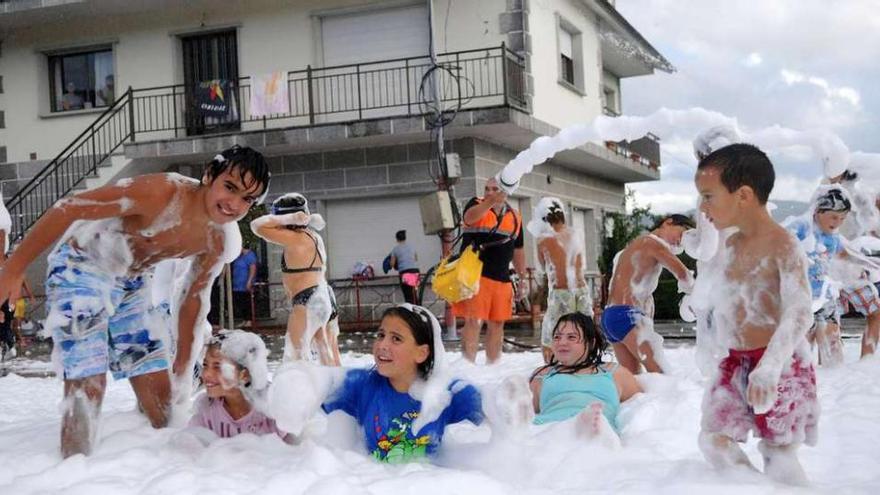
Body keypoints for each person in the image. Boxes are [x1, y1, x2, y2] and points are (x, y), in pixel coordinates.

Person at [0, 145, 270, 457]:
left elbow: (192, 300)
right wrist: (14, 268)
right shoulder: (161, 193)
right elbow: (69, 207)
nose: (234, 204)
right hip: (82, 266)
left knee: (161, 399)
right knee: (89, 381)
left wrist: (182, 365)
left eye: (247, 199)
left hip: (131, 281)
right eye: (230, 187)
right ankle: (74, 468)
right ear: (209, 176)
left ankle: (157, 471)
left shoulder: (218, 240)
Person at [695, 143, 817, 486]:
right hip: (736, 362)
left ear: (744, 195)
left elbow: (800, 310)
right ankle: (755, 490)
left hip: (780, 363)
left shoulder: (783, 244)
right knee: (713, 441)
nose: (702, 206)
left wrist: (772, 364)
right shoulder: (730, 245)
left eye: (708, 196)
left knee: (778, 451)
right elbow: (719, 304)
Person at [320, 304, 484, 463]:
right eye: (381, 335)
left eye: (396, 339)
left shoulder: (445, 392)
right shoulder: (361, 384)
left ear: (421, 353)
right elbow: (313, 390)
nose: (382, 345)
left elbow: (496, 410)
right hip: (373, 481)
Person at [251, 193, 341, 366]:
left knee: (294, 359)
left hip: (307, 299)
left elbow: (257, 225)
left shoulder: (294, 238)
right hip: (324, 296)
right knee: (328, 354)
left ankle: (303, 391)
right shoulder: (314, 237)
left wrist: (291, 217)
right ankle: (340, 390)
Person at [602, 214, 695, 374]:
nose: (681, 240)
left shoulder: (634, 247)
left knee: (633, 384)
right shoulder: (653, 243)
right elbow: (684, 275)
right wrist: (699, 295)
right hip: (627, 316)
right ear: (668, 222)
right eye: (682, 233)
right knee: (662, 375)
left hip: (611, 316)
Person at [528, 312, 641, 443]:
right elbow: (528, 410)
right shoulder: (543, 374)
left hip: (599, 430)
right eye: (557, 337)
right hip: (547, 429)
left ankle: (586, 427)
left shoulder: (613, 372)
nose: (562, 342)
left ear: (591, 343)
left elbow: (643, 405)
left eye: (571, 337)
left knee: (597, 426)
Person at [784, 185, 860, 366]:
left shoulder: (832, 235)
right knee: (801, 351)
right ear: (818, 210)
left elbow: (847, 255)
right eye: (834, 217)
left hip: (825, 296)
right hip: (801, 299)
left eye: (842, 218)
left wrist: (868, 266)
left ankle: (836, 386)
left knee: (833, 345)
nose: (838, 222)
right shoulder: (801, 227)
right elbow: (779, 249)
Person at [454, 177, 525, 364]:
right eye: (487, 188)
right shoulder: (477, 204)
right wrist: (491, 201)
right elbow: (469, 218)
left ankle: (493, 365)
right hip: (476, 275)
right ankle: (467, 364)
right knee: (473, 320)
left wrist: (522, 277)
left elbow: (518, 250)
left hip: (502, 277)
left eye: (494, 189)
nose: (489, 192)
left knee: (498, 322)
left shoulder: (515, 216)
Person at [188, 329, 292, 441]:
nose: (206, 373)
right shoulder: (205, 414)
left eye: (217, 366)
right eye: (205, 364)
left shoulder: (273, 412)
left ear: (244, 374)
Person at [528, 197, 593, 363]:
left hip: (561, 293)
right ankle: (583, 364)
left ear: (545, 219)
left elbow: (543, 267)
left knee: (550, 335)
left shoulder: (544, 239)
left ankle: (553, 366)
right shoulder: (574, 234)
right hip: (582, 290)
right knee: (584, 333)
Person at [230, 246, 258, 327]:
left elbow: (253, 269)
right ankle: (244, 319)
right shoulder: (238, 257)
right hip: (237, 284)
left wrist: (249, 281)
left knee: (247, 301)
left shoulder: (249, 255)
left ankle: (249, 320)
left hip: (245, 284)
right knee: (240, 302)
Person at [389, 230, 420, 305]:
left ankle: (411, 313)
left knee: (408, 295)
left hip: (405, 273)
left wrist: (390, 263)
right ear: (405, 238)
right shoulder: (412, 247)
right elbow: (416, 258)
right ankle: (419, 310)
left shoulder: (395, 249)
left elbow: (392, 264)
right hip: (415, 271)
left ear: (397, 239)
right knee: (414, 293)